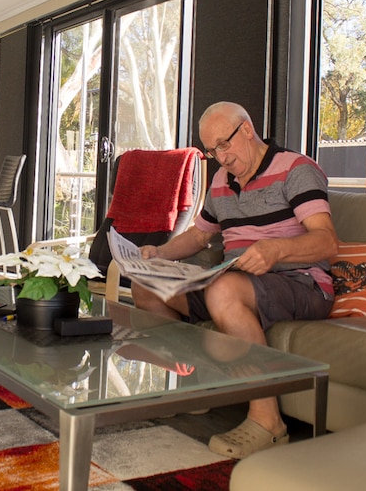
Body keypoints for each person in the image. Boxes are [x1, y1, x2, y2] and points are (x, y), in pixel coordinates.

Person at [131, 101, 338, 458]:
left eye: (224, 145)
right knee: (145, 284)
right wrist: (159, 255)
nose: (221, 158)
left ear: (246, 129)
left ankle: (268, 421)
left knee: (224, 290)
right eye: (212, 151)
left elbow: (327, 242)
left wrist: (276, 251)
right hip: (233, 278)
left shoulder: (296, 169)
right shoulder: (221, 181)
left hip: (301, 282)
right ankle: (192, 385)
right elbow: (198, 237)